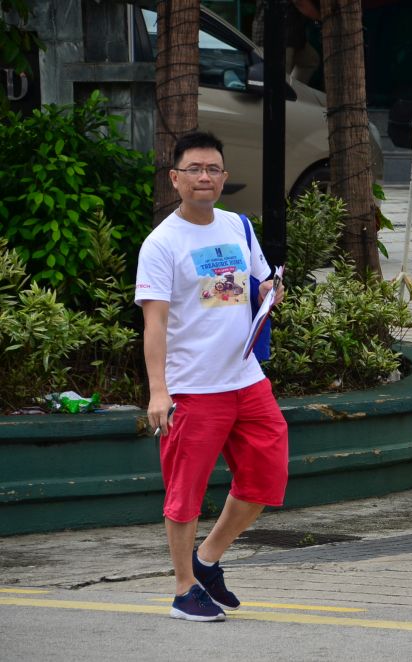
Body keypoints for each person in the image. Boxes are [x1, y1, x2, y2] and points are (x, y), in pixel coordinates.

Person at [135, 131, 288, 622]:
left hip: (246, 379)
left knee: (266, 478)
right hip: (193, 389)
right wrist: (159, 391)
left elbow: (258, 281)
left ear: (224, 176)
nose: (205, 177)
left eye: (214, 169)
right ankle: (184, 589)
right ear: (175, 178)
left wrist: (271, 289)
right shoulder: (162, 244)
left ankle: (207, 560)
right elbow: (154, 322)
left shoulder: (238, 227)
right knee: (185, 492)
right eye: (195, 169)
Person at [252, 0, 321, 85]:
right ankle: (289, 93)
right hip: (278, 34)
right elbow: (299, 1)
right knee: (280, 81)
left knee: (310, 60)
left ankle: (296, 91)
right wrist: (320, 18)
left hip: (290, 35)